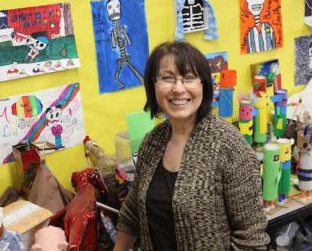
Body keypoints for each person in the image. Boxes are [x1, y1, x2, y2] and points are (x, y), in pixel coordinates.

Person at [114, 41, 270, 250]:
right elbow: (133, 211)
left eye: (189, 78)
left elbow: (251, 241)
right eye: (167, 78)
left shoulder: (229, 147)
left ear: (204, 85)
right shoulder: (152, 142)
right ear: (153, 86)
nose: (178, 89)